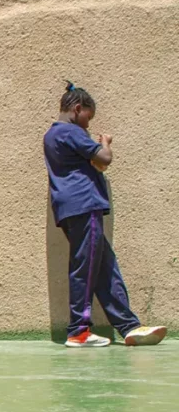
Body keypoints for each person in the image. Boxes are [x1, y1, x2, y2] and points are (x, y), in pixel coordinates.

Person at [43, 83, 166, 348]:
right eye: (88, 117)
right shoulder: (71, 132)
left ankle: (129, 326)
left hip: (73, 208)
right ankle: (78, 330)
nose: (88, 124)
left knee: (103, 267)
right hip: (84, 206)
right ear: (77, 109)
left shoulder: (55, 134)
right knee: (86, 268)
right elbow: (104, 158)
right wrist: (105, 143)